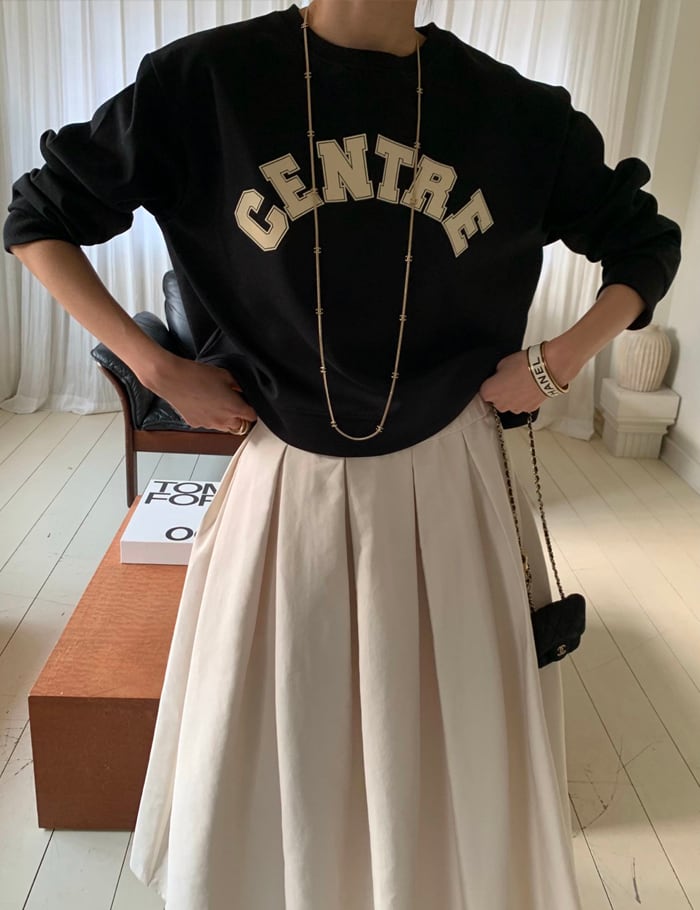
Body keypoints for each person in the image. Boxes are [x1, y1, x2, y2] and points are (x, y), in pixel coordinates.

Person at [3, 1, 681, 908]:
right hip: (287, 476)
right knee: (281, 715)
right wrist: (159, 367)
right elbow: (38, 217)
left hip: (451, 472)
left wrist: (558, 362)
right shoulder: (207, 84)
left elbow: (646, 242)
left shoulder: (512, 110)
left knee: (443, 725)